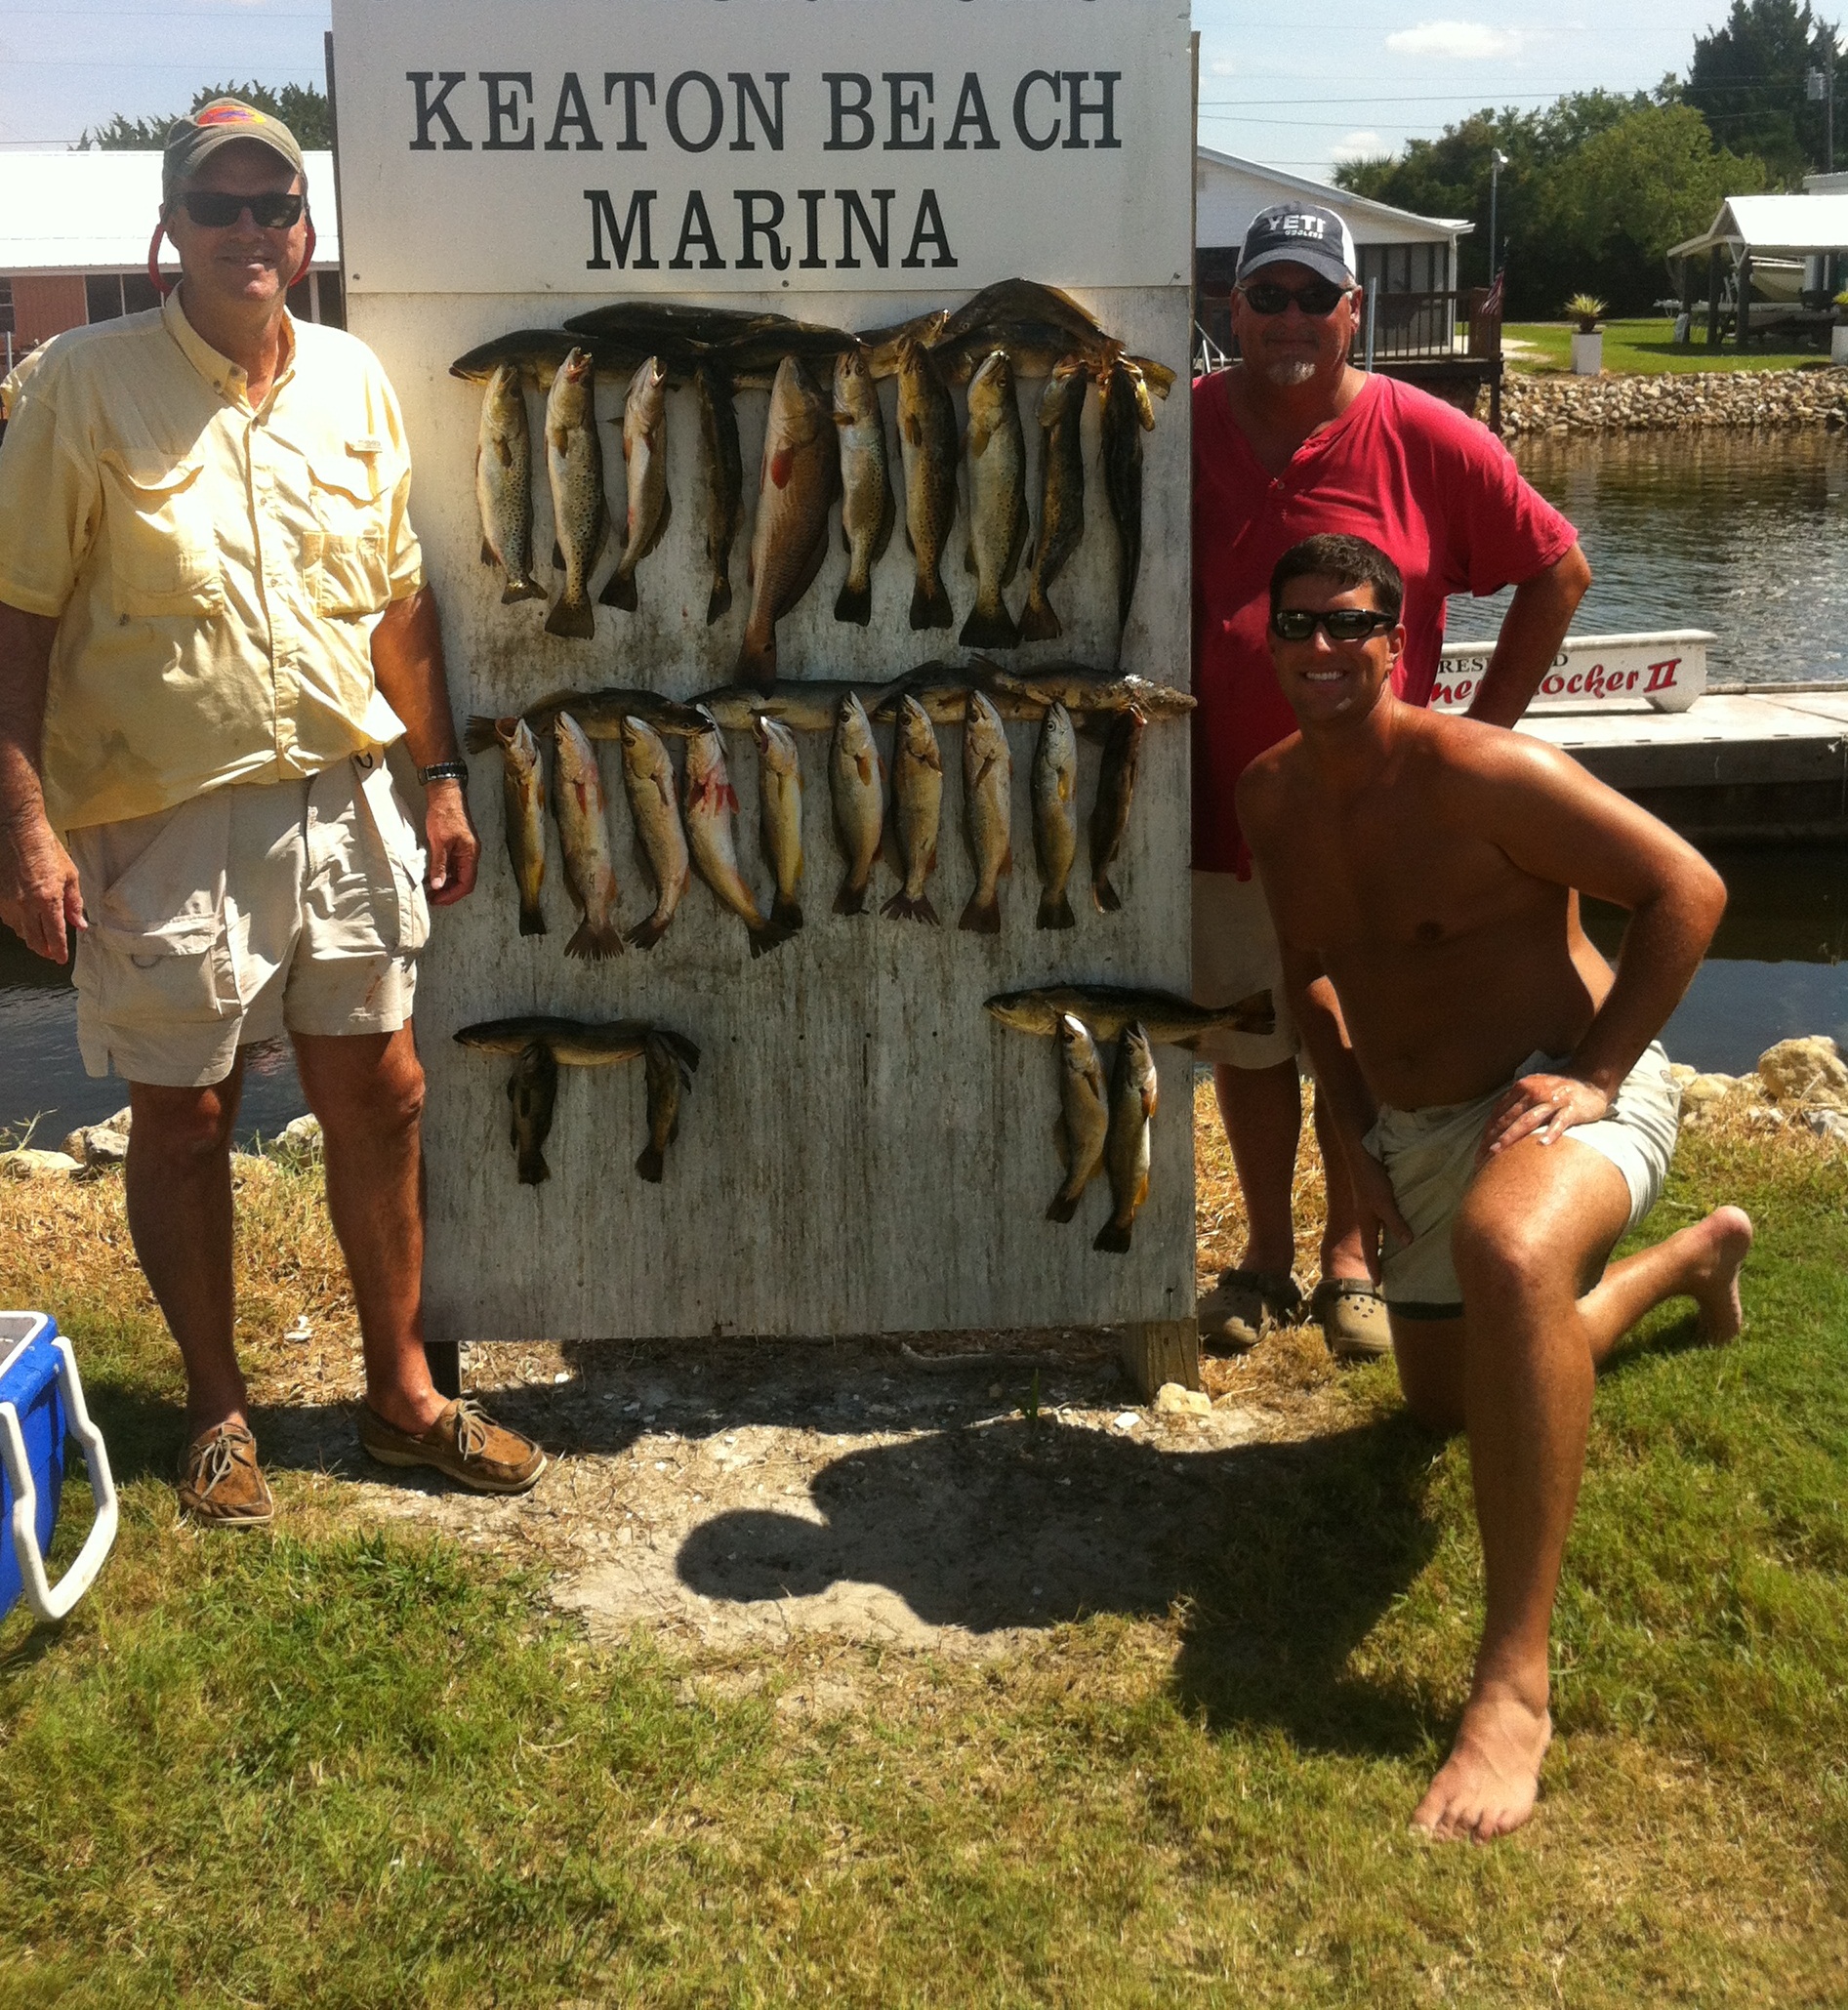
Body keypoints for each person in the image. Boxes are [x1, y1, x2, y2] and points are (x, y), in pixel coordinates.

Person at [0, 100, 546, 1525]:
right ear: (169, 228)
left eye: (274, 208)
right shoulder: (79, 380)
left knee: (384, 1090)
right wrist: (22, 826)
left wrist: (437, 771)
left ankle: (401, 1392)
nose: (250, 230)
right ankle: (216, 1407)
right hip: (160, 812)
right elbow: (18, 617)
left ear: (305, 232)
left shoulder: (355, 378)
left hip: (345, 794)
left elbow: (396, 603)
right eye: (220, 206)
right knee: (183, 1117)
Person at [1239, 532, 1750, 1841]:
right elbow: (1304, 964)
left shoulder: (1483, 770)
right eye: (1296, 624)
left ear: (1396, 637)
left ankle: (1512, 1683)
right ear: (1270, 637)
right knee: (1448, 1408)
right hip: (1411, 1125)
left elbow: (1684, 886)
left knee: (1509, 1256)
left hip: (1555, 1085)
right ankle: (1685, 1262)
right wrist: (1352, 1125)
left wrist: (1594, 1066)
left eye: (1350, 624)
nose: (1321, 649)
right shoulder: (1271, 794)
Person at [1193, 201, 1593, 1362]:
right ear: (1234, 306)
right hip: (1222, 812)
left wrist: (1476, 754)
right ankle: (1264, 1254)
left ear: (1354, 312)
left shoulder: (1426, 433)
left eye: (1318, 296)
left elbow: (1557, 570)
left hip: (1370, 823)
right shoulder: (1188, 424)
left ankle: (1350, 1256)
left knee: (1363, 1045)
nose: (1292, 318)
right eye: (1269, 294)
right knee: (1252, 1037)